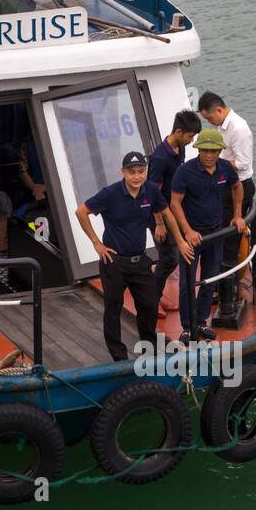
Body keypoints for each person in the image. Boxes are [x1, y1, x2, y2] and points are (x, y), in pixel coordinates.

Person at [76, 151, 188, 362]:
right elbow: (81, 212)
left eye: (141, 171)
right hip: (114, 263)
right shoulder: (110, 194)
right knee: (113, 307)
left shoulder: (151, 191)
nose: (137, 176)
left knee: (149, 303)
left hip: (140, 261)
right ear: (123, 172)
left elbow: (166, 213)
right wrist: (96, 243)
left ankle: (149, 345)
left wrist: (180, 241)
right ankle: (118, 355)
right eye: (132, 172)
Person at [168, 129, 247, 342]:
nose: (209, 155)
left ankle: (202, 322)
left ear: (220, 151)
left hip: (215, 234)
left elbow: (237, 187)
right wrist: (188, 232)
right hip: (192, 237)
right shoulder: (185, 172)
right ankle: (187, 326)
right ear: (198, 150)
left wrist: (238, 215)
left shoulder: (225, 169)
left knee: (209, 280)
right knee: (187, 283)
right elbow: (174, 203)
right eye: (204, 150)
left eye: (213, 151)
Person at [198, 91, 256, 305]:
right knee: (221, 233)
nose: (209, 122)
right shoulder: (222, 127)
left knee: (230, 238)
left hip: (240, 186)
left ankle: (228, 288)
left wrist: (215, 164)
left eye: (209, 118)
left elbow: (243, 163)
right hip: (226, 185)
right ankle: (222, 282)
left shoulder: (239, 129)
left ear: (218, 110)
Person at [148, 110, 202, 300]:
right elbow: (151, 192)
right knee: (169, 259)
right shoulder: (160, 158)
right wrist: (159, 224)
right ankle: (152, 296)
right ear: (178, 131)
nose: (192, 140)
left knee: (174, 254)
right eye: (190, 136)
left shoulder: (181, 148)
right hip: (159, 214)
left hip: (174, 209)